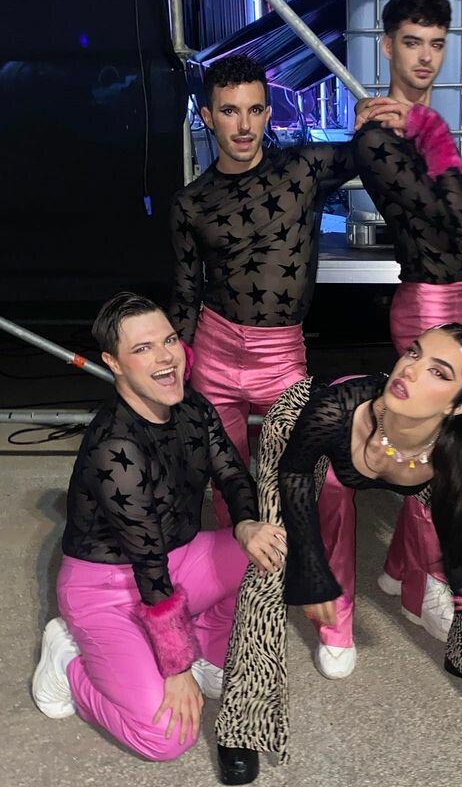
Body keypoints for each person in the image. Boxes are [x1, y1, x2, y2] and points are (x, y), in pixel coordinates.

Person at [214, 324, 462, 785]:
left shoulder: (458, 449)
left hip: (418, 451)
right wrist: (312, 573)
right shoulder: (334, 409)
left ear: (458, 405)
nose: (410, 370)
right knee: (270, 565)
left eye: (437, 371)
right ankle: (244, 723)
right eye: (414, 353)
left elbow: (458, 526)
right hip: (303, 435)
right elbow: (296, 476)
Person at [31, 292, 285, 760]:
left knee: (271, 551)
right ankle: (67, 664)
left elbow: (232, 474)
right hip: (106, 589)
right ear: (114, 363)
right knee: (168, 738)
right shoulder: (115, 446)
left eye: (168, 340)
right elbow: (147, 563)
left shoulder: (194, 407)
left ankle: (206, 643)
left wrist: (247, 524)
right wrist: (175, 664)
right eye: (143, 348)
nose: (165, 357)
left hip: (177, 560)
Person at [345, 0, 462, 655]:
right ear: (387, 46)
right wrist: (429, 131)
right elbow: (453, 224)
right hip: (427, 305)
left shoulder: (423, 125)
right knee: (434, 459)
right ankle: (431, 587)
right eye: (411, 43)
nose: (424, 57)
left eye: (436, 45)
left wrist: (427, 128)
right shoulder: (376, 136)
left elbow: (460, 236)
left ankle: (402, 569)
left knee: (448, 441)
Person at [169, 54, 358, 530]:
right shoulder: (190, 202)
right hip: (213, 351)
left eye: (254, 110)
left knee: (301, 476)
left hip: (281, 356)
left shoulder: (302, 169)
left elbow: (373, 150)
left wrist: (384, 110)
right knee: (226, 480)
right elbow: (186, 291)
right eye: (230, 111)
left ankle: (300, 564)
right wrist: (176, 366)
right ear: (207, 116)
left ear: (268, 113)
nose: (244, 125)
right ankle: (240, 566)